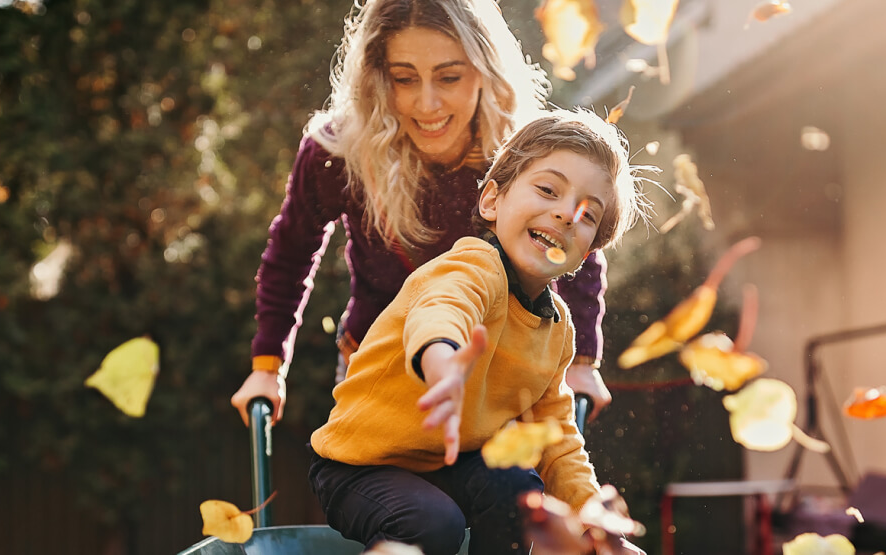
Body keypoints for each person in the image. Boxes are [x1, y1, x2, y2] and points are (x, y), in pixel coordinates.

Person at [230, 0, 617, 428]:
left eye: (449, 77)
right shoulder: (339, 152)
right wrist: (267, 366)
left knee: (507, 494)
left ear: (485, 71)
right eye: (404, 79)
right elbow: (290, 253)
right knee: (379, 495)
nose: (427, 103)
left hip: (499, 376)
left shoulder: (525, 153)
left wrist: (582, 360)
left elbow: (570, 237)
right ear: (377, 78)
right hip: (377, 371)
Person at [307, 110, 651, 555]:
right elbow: (442, 307)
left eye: (588, 215)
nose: (567, 213)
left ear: (586, 252)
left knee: (518, 489)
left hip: (448, 464)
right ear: (491, 202)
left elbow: (557, 438)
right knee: (433, 522)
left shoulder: (556, 329)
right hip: (359, 465)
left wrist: (596, 526)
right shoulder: (473, 266)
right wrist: (442, 362)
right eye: (548, 189)